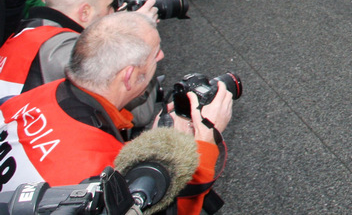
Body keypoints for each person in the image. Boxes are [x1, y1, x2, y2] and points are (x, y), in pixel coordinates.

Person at [0, 12, 231, 215]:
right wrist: (203, 145)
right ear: (129, 76)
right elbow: (174, 209)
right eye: (155, 55)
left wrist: (156, 143)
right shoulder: (102, 172)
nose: (161, 57)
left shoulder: (32, 96)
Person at [0, 0, 156, 97]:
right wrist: (140, 34)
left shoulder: (24, 31)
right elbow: (134, 108)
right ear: (85, 12)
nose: (112, 12)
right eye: (110, 5)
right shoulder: (70, 51)